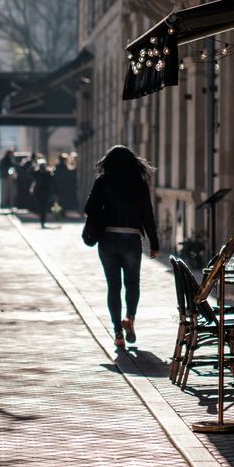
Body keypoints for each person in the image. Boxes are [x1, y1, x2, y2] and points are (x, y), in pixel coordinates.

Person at [83, 145, 159, 348]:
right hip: (132, 239)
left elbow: (89, 208)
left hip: (107, 239)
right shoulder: (139, 183)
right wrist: (154, 242)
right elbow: (147, 214)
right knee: (132, 283)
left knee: (113, 286)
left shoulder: (103, 181)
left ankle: (117, 333)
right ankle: (130, 318)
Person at [31, 159, 57, 228]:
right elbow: (53, 182)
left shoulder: (37, 172)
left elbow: (30, 173)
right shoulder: (48, 173)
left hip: (39, 192)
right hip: (45, 192)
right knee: (43, 207)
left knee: (41, 207)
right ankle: (43, 220)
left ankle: (42, 221)